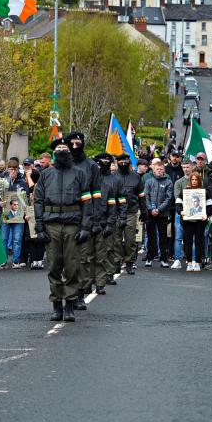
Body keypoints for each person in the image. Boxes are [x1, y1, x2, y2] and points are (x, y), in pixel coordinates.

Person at [33, 138, 93, 322]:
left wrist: (85, 226)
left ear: (69, 151)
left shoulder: (79, 173)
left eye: (64, 148)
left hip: (72, 225)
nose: (61, 150)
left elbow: (87, 202)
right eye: (58, 148)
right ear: (53, 153)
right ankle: (56, 305)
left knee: (72, 267)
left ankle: (70, 305)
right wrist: (39, 226)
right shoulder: (46, 174)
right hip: (51, 226)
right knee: (53, 267)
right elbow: (38, 201)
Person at [67, 131, 101, 309]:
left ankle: (80, 294)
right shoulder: (63, 165)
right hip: (64, 217)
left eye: (77, 143)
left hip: (84, 218)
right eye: (71, 143)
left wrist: (95, 222)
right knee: (65, 260)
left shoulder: (92, 166)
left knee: (82, 259)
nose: (74, 147)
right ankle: (66, 295)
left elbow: (97, 196)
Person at [92, 153, 125, 294]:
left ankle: (109, 273)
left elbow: (120, 200)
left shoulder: (115, 180)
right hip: (91, 221)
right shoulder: (91, 179)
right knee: (90, 253)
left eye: (107, 161)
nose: (103, 164)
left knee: (109, 248)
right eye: (101, 161)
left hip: (108, 219)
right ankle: (90, 280)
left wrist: (120, 218)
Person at [115, 154, 145, 274]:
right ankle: (116, 262)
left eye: (125, 161)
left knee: (130, 239)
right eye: (121, 161)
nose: (123, 163)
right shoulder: (113, 177)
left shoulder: (136, 177)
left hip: (131, 212)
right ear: (117, 162)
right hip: (116, 213)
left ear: (129, 162)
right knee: (116, 239)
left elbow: (142, 195)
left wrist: (144, 211)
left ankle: (129, 263)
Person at [0, 160, 28, 269]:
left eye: (15, 169)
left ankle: (16, 261)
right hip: (5, 212)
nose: (13, 171)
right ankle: (2, 261)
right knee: (4, 238)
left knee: (17, 239)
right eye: (11, 168)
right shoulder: (2, 180)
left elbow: (27, 196)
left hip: (19, 214)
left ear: (18, 169)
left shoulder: (22, 181)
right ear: (7, 169)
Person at [143, 160, 173, 268]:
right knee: (151, 236)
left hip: (163, 214)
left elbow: (169, 198)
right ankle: (149, 258)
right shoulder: (149, 182)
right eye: (157, 169)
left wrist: (159, 210)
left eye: (161, 169)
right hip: (150, 213)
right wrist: (151, 209)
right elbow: (146, 197)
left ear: (164, 170)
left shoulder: (168, 182)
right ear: (153, 169)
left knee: (163, 237)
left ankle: (163, 259)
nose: (159, 171)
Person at [178, 172, 209, 271]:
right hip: (187, 221)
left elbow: (209, 205)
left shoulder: (204, 192)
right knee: (187, 242)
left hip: (200, 222)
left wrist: (206, 214)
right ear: (190, 180)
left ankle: (198, 263)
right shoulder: (185, 192)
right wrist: (181, 212)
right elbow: (178, 204)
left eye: (196, 180)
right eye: (192, 180)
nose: (194, 181)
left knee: (199, 242)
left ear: (199, 180)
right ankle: (189, 263)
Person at [171, 159, 193, 269]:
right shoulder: (178, 182)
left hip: (194, 213)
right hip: (181, 213)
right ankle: (177, 260)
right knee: (178, 237)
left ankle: (193, 260)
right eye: (184, 167)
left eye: (187, 167)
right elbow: (177, 198)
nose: (186, 169)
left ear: (192, 167)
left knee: (192, 237)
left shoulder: (197, 181)